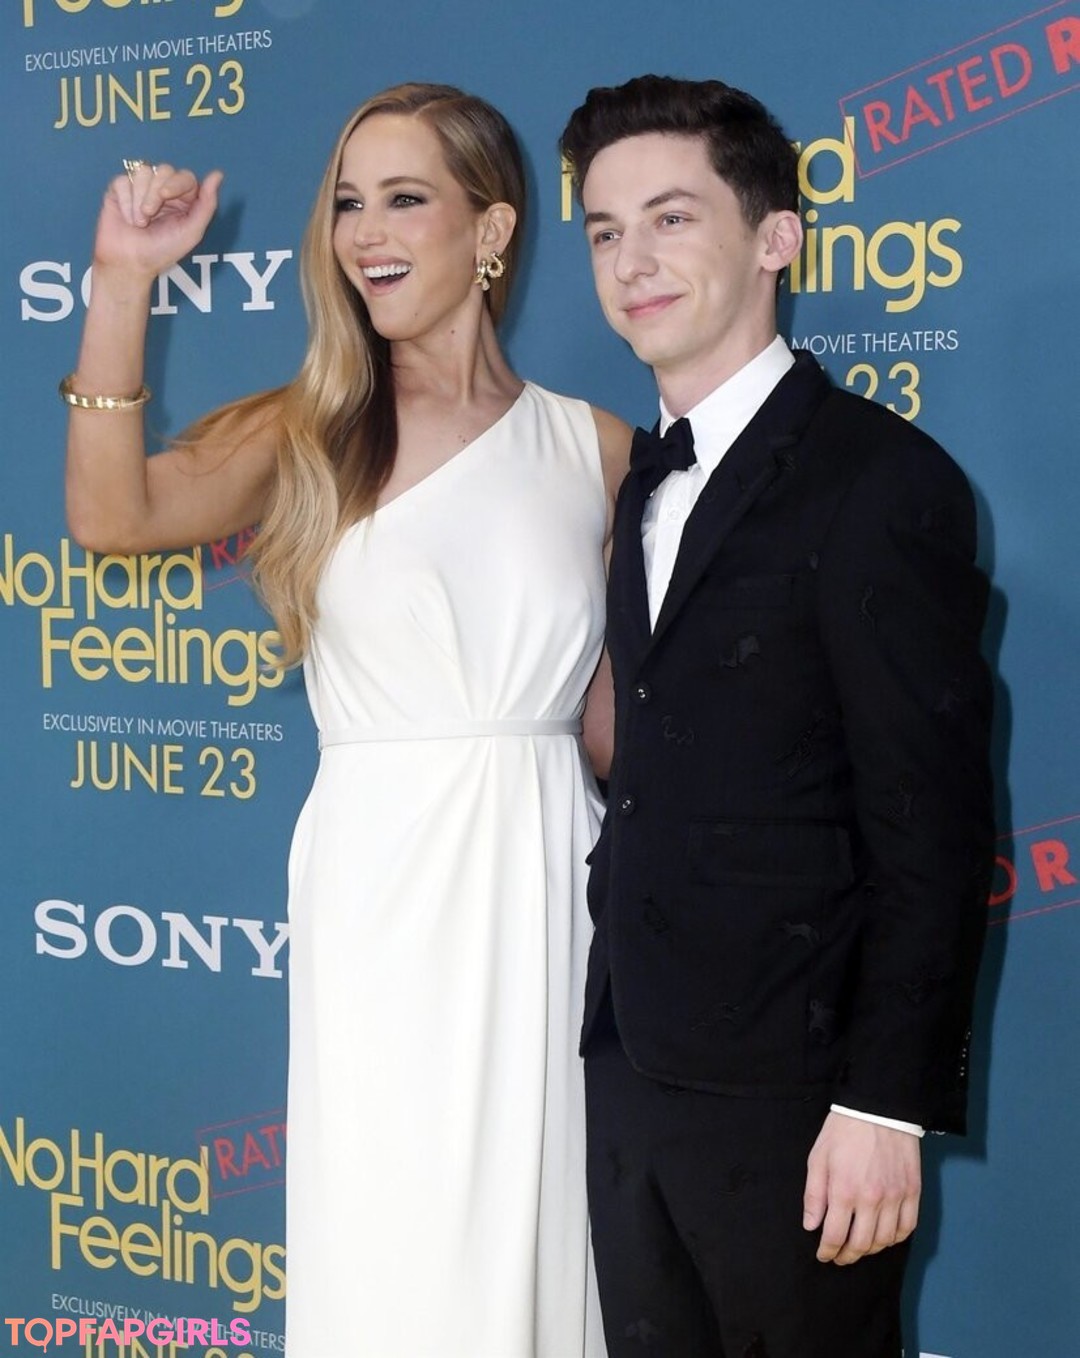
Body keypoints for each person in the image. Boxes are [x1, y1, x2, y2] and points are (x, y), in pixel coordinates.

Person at [63, 82, 627, 1358]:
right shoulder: (312, 432)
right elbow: (110, 515)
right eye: (348, 203)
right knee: (392, 1234)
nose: (366, 232)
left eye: (405, 198)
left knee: (545, 1226)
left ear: (492, 228)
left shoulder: (596, 449)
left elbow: (617, 725)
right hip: (380, 894)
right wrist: (122, 280)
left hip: (551, 883)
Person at [559, 74, 994, 1358]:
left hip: (801, 1101)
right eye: (606, 231)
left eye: (672, 218)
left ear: (775, 237)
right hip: (632, 1064)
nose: (632, 262)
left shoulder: (883, 481)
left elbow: (931, 824)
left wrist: (884, 1105)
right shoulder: (642, 476)